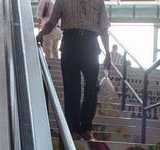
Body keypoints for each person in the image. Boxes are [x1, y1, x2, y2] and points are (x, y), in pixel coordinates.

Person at [37, 0, 110, 138]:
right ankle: (73, 129)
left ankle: (86, 126)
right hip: (70, 43)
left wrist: (108, 54)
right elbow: (52, 22)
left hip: (91, 44)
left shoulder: (98, 2)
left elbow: (104, 29)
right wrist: (41, 34)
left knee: (92, 87)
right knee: (71, 88)